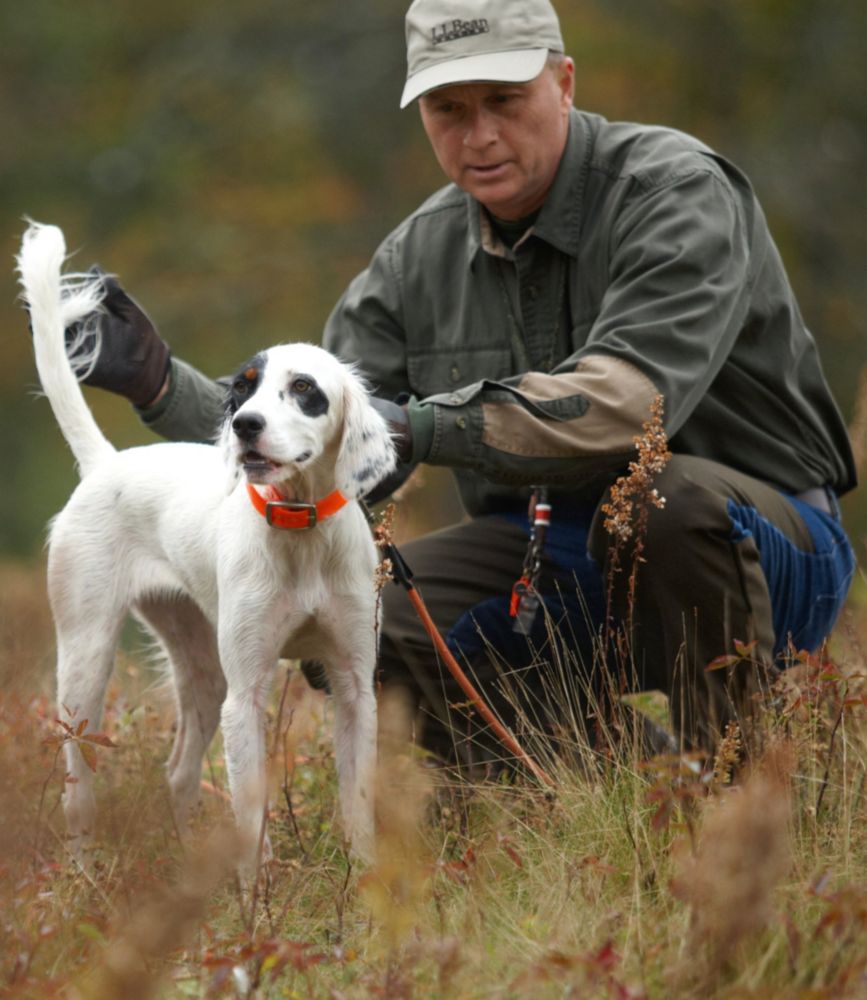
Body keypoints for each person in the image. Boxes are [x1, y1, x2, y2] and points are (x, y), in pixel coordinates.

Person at [56, 0, 857, 764]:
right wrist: (161, 384)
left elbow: (627, 407)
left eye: (505, 99)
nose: (479, 134)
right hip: (553, 557)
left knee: (661, 500)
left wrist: (426, 428)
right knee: (366, 623)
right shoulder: (416, 257)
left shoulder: (676, 191)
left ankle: (733, 807)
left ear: (565, 83)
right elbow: (316, 437)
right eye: (448, 109)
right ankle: (609, 795)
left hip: (763, 549)